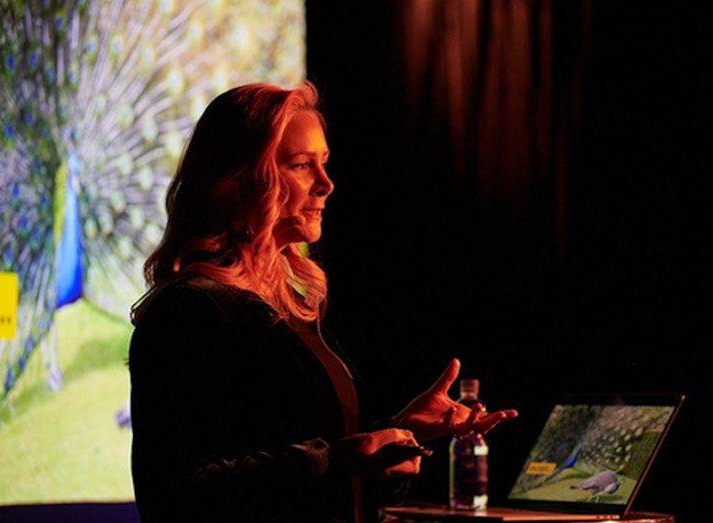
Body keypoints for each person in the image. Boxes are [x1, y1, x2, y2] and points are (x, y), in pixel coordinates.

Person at [128, 82, 517, 522]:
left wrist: (397, 436)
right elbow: (176, 494)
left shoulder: (291, 312)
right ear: (239, 180)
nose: (326, 185)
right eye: (300, 166)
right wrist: (334, 460)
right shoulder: (190, 313)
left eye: (324, 164)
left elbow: (318, 480)